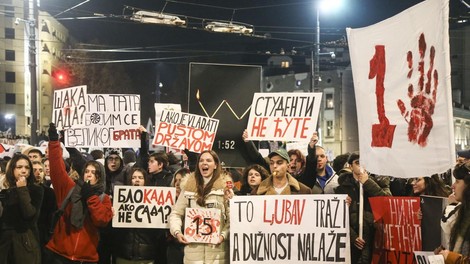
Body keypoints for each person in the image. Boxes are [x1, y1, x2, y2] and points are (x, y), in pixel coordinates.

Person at [46, 123, 113, 263]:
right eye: (87, 171)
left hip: (86, 259)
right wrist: (54, 142)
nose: (89, 175)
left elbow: (101, 220)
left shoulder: (103, 199)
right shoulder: (70, 188)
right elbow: (56, 168)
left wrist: (90, 197)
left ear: (100, 177)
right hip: (59, 255)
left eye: (94, 173)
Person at [169, 150, 232, 264]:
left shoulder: (226, 188)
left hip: (218, 256)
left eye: (208, 160)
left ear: (215, 165)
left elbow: (232, 220)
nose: (204, 163)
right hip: (193, 256)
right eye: (201, 160)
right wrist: (177, 232)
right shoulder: (188, 187)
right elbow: (176, 214)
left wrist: (222, 236)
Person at [334, 152, 391, 264]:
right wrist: (353, 236)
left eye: (365, 162)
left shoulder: (376, 183)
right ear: (350, 166)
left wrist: (367, 183)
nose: (361, 166)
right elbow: (338, 217)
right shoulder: (342, 189)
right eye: (358, 163)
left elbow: (386, 201)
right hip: (352, 240)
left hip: (373, 237)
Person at [113, 167, 167, 264]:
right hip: (124, 255)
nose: (137, 180)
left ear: (145, 181)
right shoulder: (119, 200)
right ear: (130, 180)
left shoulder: (155, 202)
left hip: (146, 256)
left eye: (140, 178)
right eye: (134, 177)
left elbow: (159, 233)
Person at [0, 154, 44, 264]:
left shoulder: (36, 190)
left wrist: (22, 190)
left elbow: (29, 214)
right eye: (19, 167)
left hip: (24, 242)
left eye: (27, 167)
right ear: (12, 169)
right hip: (5, 243)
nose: (23, 171)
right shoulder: (7, 190)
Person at [437, 161, 470, 263]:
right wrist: (445, 254)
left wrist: (451, 257)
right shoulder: (463, 211)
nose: (452, 186)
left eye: (457, 181)